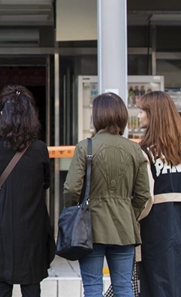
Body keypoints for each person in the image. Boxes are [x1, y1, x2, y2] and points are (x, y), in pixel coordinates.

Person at [64, 92, 150, 297]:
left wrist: (76, 210)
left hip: (90, 227)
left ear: (97, 117)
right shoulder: (134, 149)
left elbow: (71, 189)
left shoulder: (85, 147)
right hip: (124, 228)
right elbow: (143, 194)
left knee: (93, 287)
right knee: (124, 287)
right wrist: (129, 214)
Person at [0, 86, 55, 297]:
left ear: (3, 116)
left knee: (0, 287)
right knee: (31, 286)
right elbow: (45, 183)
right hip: (32, 225)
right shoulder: (39, 149)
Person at [136, 91, 181, 297]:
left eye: (142, 111)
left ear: (154, 115)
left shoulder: (146, 151)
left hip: (156, 226)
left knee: (157, 282)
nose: (139, 116)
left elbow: (145, 196)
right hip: (176, 222)